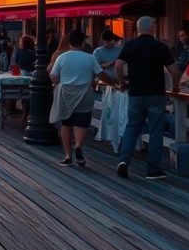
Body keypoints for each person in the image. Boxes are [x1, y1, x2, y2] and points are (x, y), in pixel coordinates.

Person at [115, 16, 181, 180]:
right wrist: (175, 87)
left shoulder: (129, 45)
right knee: (155, 131)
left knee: (132, 127)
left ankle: (123, 161)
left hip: (136, 93)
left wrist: (122, 82)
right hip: (156, 94)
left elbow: (118, 65)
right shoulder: (160, 47)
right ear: (151, 28)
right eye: (154, 24)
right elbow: (174, 71)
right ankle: (153, 170)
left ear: (138, 28)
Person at [50, 29, 111, 167]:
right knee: (81, 123)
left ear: (69, 42)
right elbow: (101, 75)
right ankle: (77, 146)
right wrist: (113, 82)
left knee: (66, 124)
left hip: (66, 93)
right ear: (83, 43)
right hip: (84, 93)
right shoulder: (90, 58)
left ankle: (67, 156)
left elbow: (53, 76)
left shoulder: (62, 57)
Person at [94, 30, 127, 152]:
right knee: (110, 111)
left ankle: (119, 138)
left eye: (111, 41)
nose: (109, 44)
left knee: (122, 111)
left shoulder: (120, 49)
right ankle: (111, 136)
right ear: (103, 41)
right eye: (107, 42)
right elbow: (97, 66)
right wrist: (112, 63)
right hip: (108, 83)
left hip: (121, 81)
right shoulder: (98, 52)